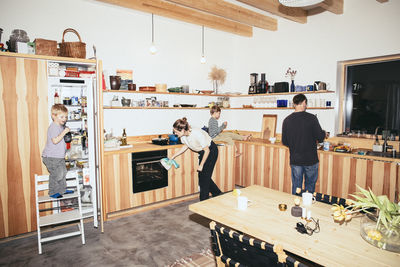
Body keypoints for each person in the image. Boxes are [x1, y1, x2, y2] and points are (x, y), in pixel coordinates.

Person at [282, 94, 328, 195]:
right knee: (310, 187)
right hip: (310, 160)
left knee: (296, 187)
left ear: (294, 104)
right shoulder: (312, 118)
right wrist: (324, 133)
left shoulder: (287, 120)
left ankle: (296, 208)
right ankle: (308, 208)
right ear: (304, 103)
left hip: (295, 160)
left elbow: (284, 141)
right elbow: (320, 138)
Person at [170, 117, 221, 201]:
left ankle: (203, 202)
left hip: (211, 151)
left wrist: (201, 165)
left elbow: (207, 150)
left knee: (203, 179)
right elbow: (186, 145)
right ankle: (217, 193)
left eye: (176, 131)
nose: (175, 133)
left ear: (182, 130)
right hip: (203, 152)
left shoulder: (196, 134)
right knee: (203, 177)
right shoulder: (183, 136)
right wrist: (174, 156)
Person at [42, 104, 73, 198]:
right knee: (57, 174)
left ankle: (62, 190)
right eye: (62, 116)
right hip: (51, 157)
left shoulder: (60, 127)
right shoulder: (53, 127)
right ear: (53, 116)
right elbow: (55, 141)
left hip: (59, 157)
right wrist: (64, 132)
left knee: (63, 172)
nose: (64, 119)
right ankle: (52, 191)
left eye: (66, 117)